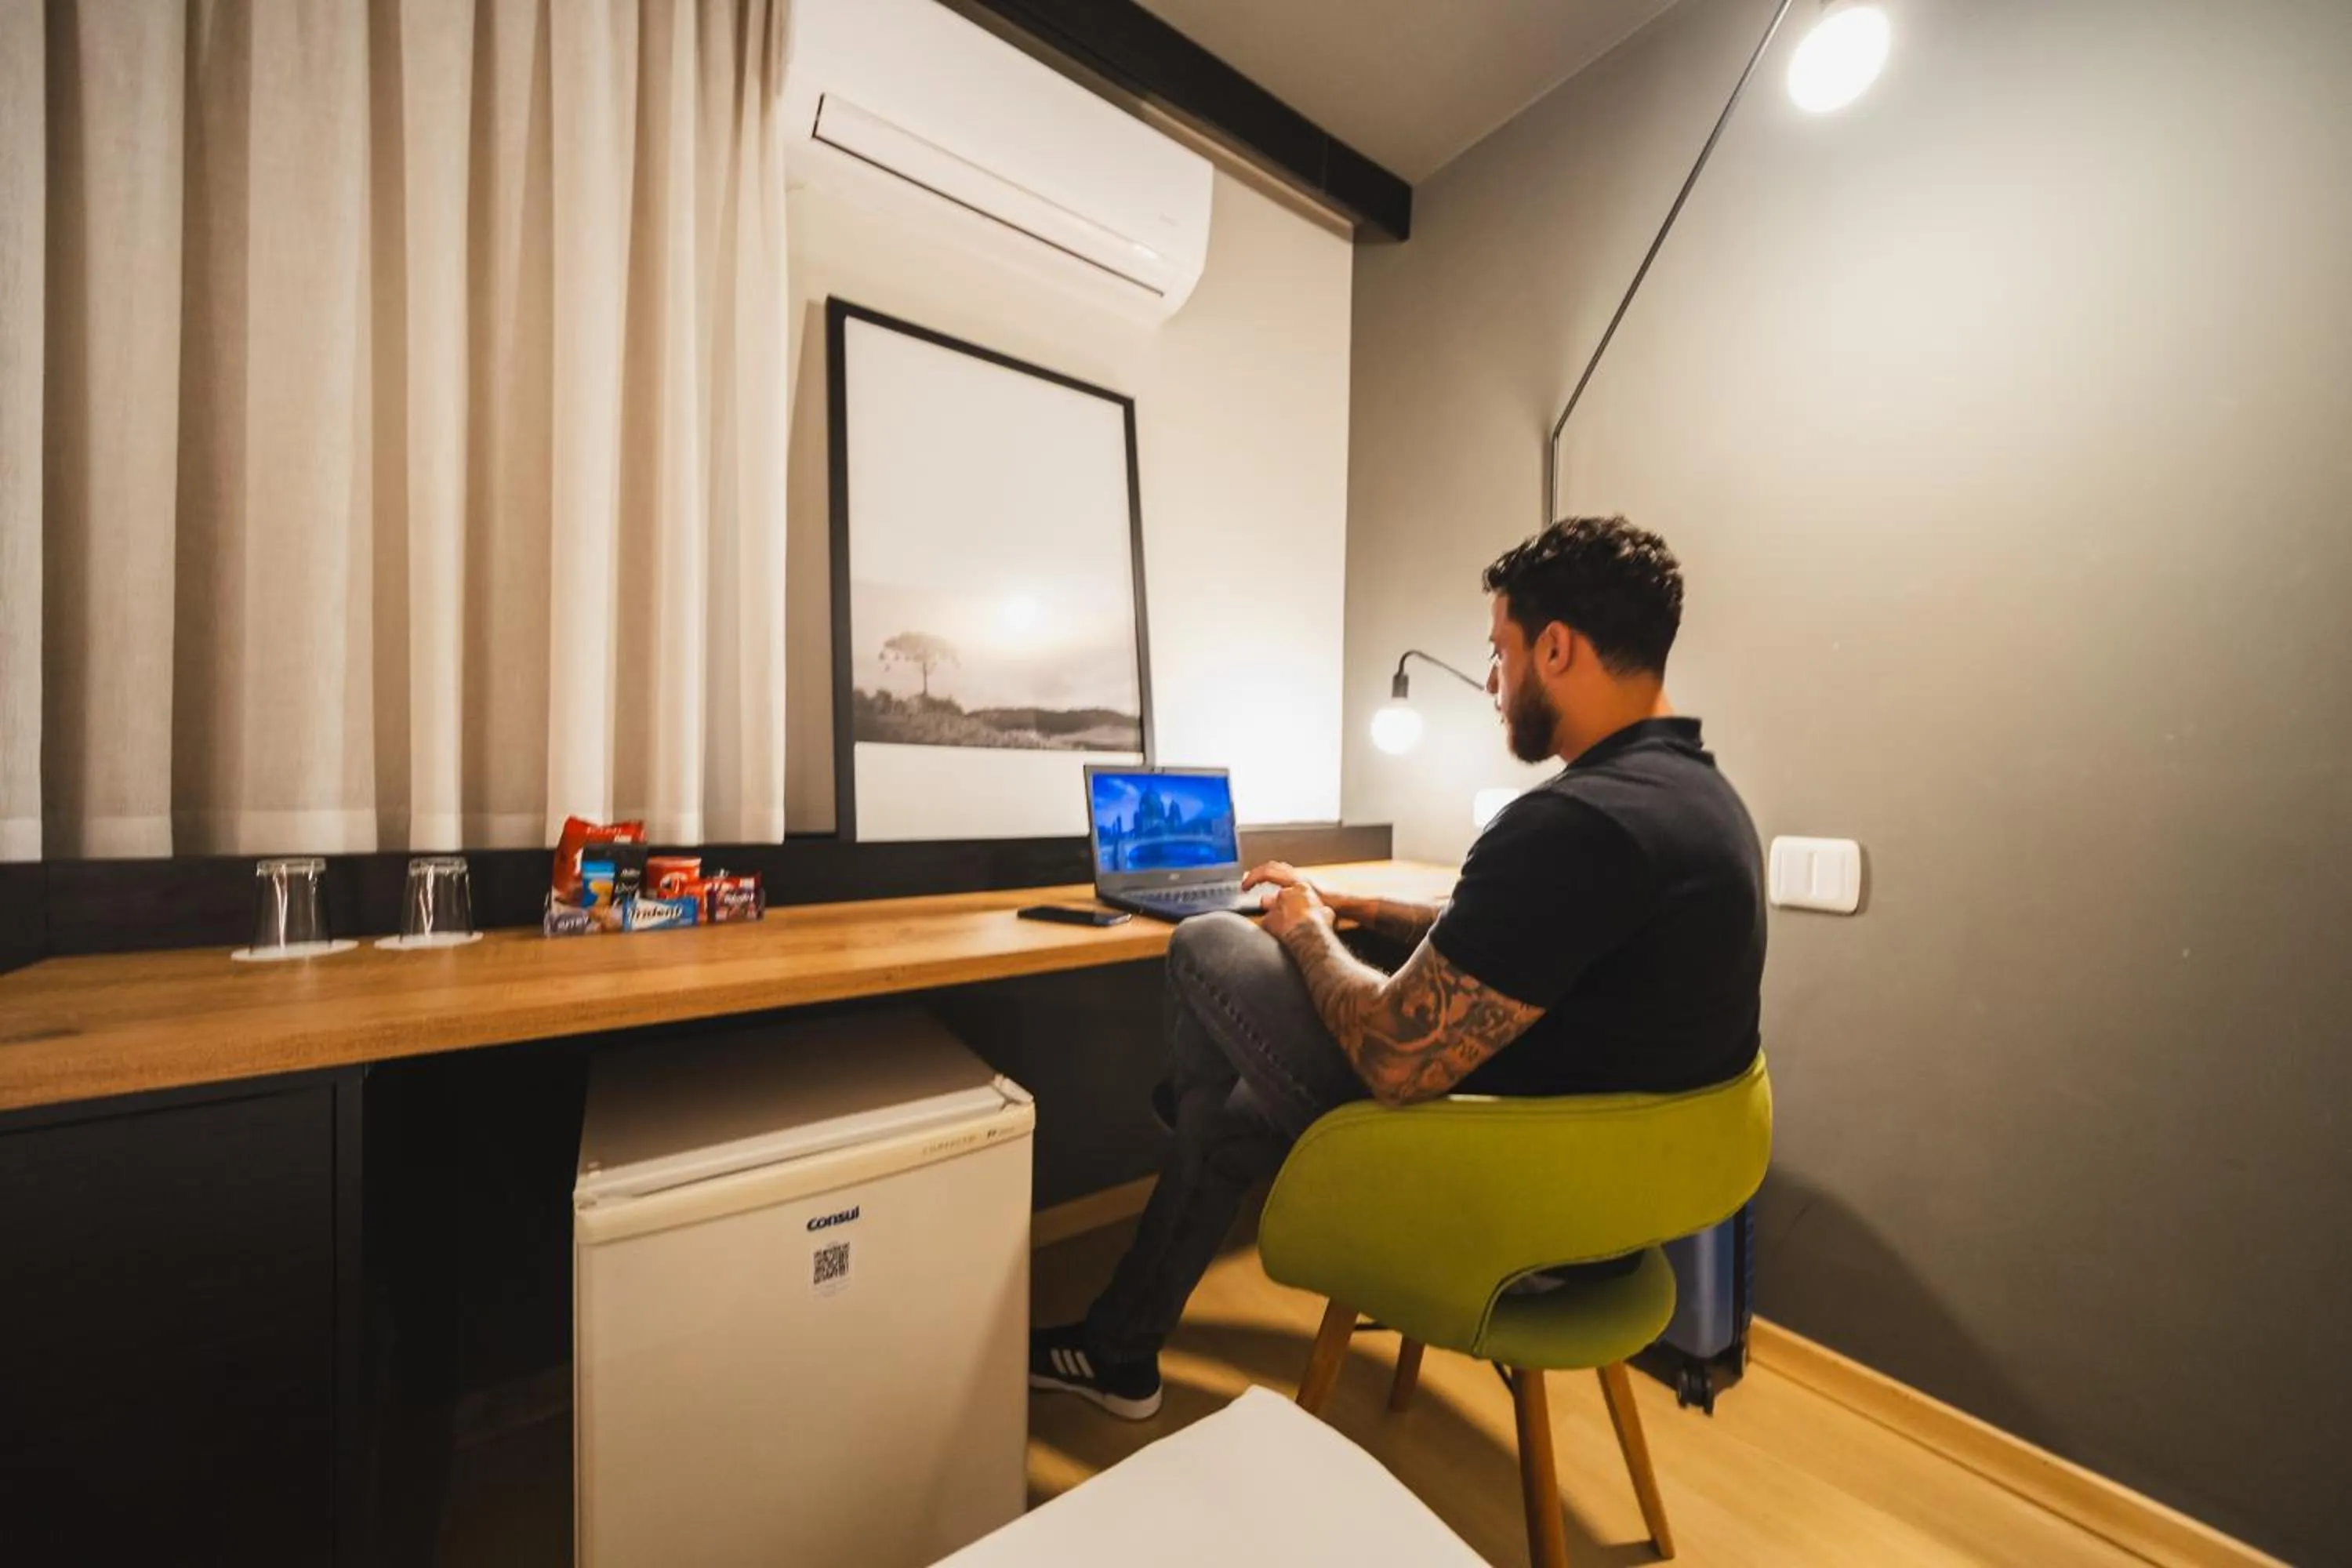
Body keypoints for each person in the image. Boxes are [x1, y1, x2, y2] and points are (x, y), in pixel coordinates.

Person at [1029, 515, 1766, 1420]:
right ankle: (1120, 1348)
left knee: (1208, 944)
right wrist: (1365, 911)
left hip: (1504, 1211)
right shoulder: (1698, 798)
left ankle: (1186, 1116)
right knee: (1232, 1118)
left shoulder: (1572, 824)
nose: (1493, 682)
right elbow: (1517, 941)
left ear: (1558, 647)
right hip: (1612, 1210)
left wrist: (1302, 924)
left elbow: (1391, 1055)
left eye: (1500, 651)